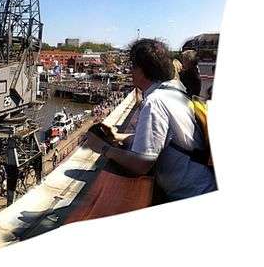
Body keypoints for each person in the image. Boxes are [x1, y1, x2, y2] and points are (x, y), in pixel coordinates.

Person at [86, 38, 216, 202]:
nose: (130, 71)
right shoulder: (174, 91)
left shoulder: (155, 102)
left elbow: (142, 163)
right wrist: (118, 137)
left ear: (143, 69)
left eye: (133, 66)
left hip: (191, 194)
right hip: (202, 185)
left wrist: (104, 148)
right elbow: (161, 139)